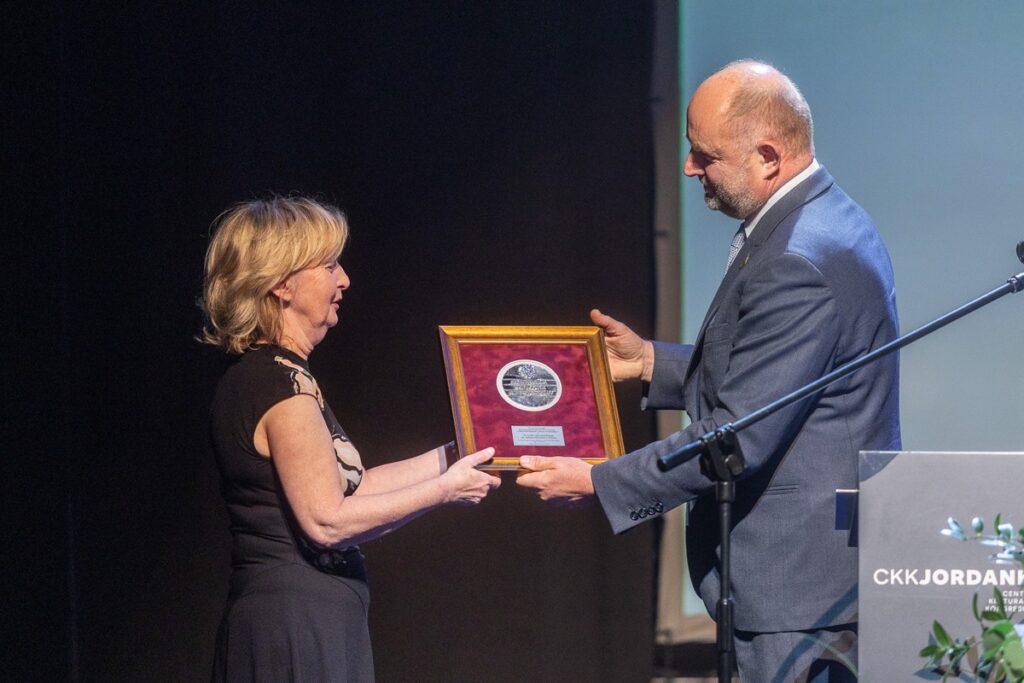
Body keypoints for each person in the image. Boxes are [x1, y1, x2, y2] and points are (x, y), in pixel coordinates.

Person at [518, 60, 900, 681]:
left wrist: (600, 481)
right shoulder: (824, 217)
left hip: (796, 591)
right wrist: (650, 362)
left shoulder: (800, 257)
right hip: (807, 580)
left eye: (705, 155)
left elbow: (739, 437)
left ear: (768, 157)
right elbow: (775, 378)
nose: (691, 168)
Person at [201, 196, 500, 681]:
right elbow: (326, 520)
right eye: (329, 265)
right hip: (293, 625)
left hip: (311, 616)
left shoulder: (281, 375)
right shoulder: (275, 384)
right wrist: (446, 491)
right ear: (281, 283)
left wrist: (456, 454)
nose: (344, 280)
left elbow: (350, 487)